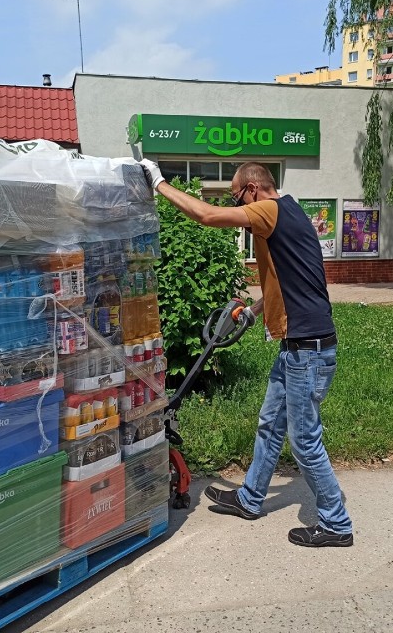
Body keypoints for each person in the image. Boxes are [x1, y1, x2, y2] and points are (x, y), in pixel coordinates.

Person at [139, 159, 353, 547]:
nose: (240, 209)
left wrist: (158, 184)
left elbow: (206, 214)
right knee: (270, 424)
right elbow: (292, 281)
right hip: (297, 348)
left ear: (252, 190)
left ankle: (337, 524)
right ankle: (251, 498)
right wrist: (253, 313)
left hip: (308, 351)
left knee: (305, 441)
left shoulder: (269, 209)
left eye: (237, 197)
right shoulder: (292, 213)